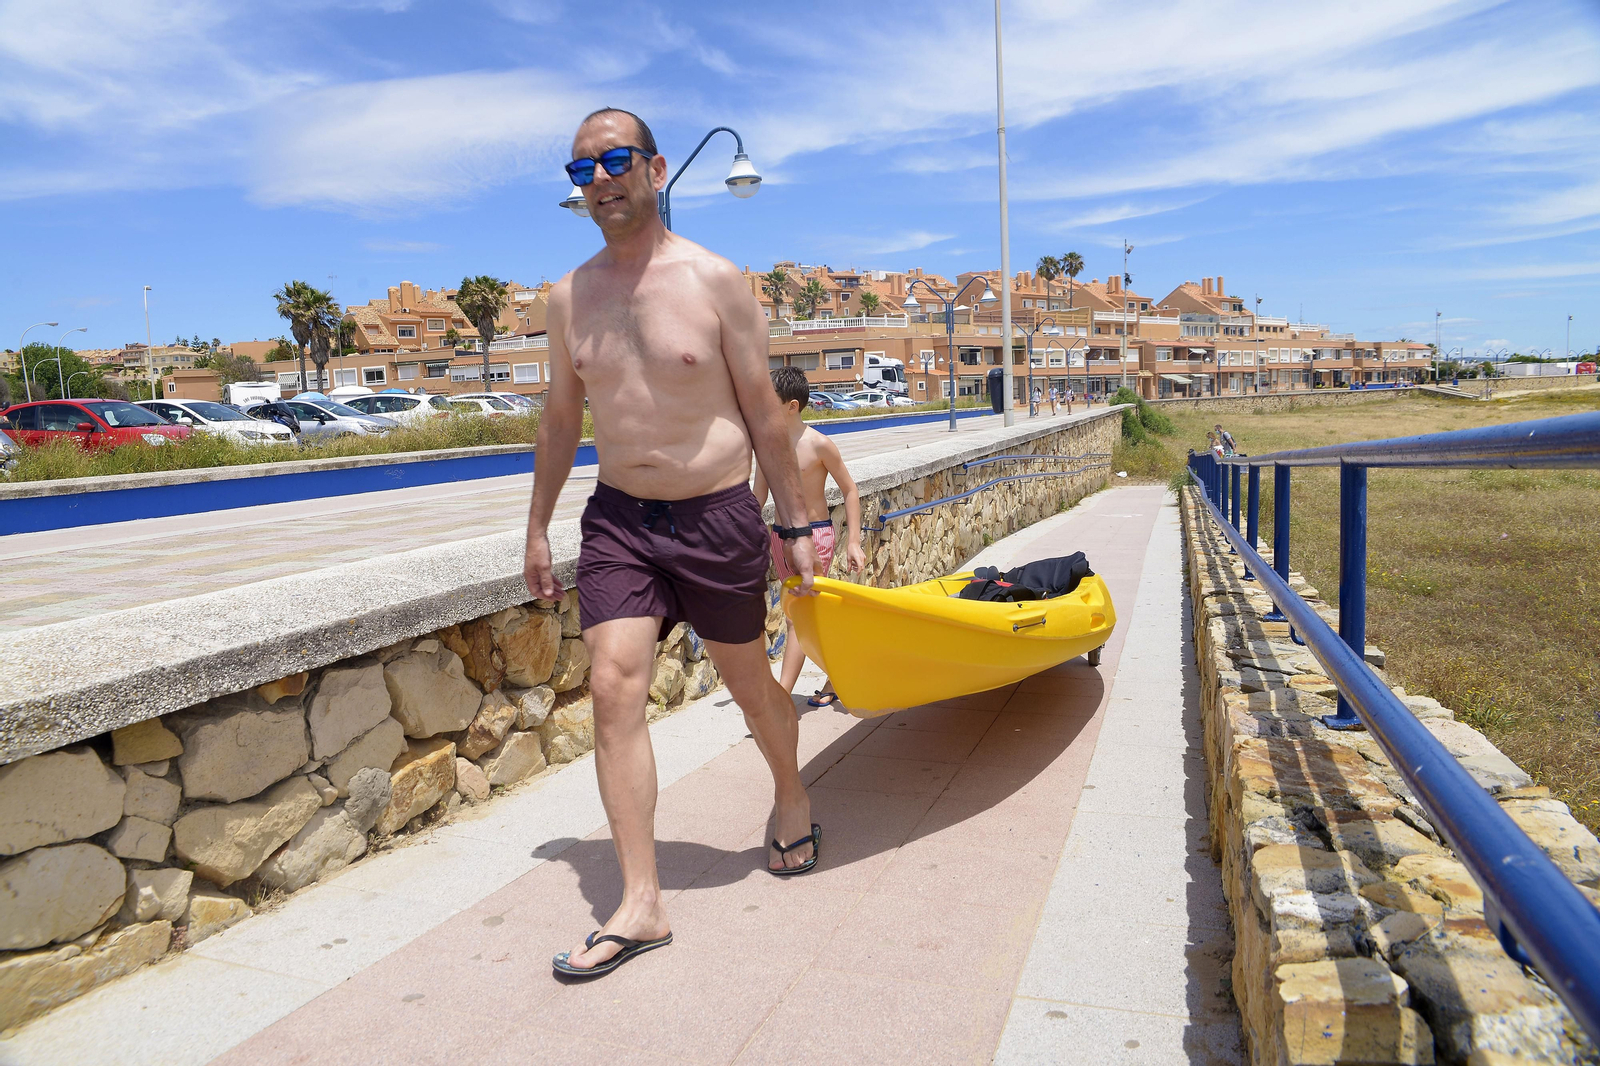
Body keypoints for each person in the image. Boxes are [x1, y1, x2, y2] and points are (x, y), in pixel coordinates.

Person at [522, 108, 822, 980]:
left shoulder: (716, 280)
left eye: (616, 161)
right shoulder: (570, 295)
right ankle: (641, 901)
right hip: (620, 520)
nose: (600, 179)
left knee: (748, 682)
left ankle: (792, 789)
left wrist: (798, 525)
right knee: (613, 687)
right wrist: (538, 526)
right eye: (583, 169)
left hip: (716, 515)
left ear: (656, 171)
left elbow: (767, 415)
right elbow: (558, 421)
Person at [753, 366, 866, 707]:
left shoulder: (819, 445)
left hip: (816, 537)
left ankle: (781, 697)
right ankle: (837, 676)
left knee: (796, 616)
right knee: (807, 613)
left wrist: (854, 541)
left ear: (791, 406)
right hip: (780, 538)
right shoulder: (767, 445)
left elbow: (850, 491)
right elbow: (756, 500)